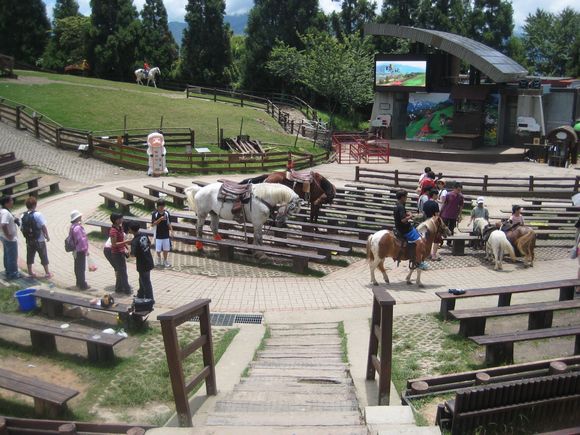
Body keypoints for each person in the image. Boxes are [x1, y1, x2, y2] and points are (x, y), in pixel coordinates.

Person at [394, 190, 428, 270]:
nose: (406, 198)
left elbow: (400, 216)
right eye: (406, 197)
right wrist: (410, 216)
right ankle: (418, 262)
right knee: (420, 242)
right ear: (402, 197)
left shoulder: (397, 205)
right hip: (405, 229)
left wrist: (407, 214)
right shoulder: (401, 206)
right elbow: (403, 220)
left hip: (400, 227)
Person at [21, 196, 52, 279]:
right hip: (39, 240)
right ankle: (47, 273)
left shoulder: (22, 215)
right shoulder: (38, 214)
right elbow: (43, 226)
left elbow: (22, 228)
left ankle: (30, 272)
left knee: (30, 255)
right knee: (43, 255)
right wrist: (47, 236)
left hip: (29, 240)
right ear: (34, 205)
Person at [128, 221, 155, 302]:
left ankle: (149, 299)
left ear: (131, 230)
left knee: (146, 282)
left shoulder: (134, 241)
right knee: (142, 280)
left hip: (142, 264)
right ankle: (140, 295)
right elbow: (149, 244)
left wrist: (127, 251)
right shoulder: (144, 235)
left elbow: (132, 255)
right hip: (149, 260)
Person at [109, 213, 132, 295]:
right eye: (120, 219)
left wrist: (126, 247)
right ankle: (127, 290)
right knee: (123, 272)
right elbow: (114, 244)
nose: (122, 220)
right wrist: (126, 242)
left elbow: (122, 239)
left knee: (120, 271)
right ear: (116, 220)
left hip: (121, 252)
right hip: (116, 254)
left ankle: (118, 288)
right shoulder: (113, 231)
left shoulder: (120, 228)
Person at [0, 195, 21, 280]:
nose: (13, 202)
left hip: (3, 236)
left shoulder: (2, 210)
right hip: (9, 238)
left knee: (7, 254)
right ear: (6, 203)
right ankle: (13, 274)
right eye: (11, 200)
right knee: (12, 256)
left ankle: (8, 271)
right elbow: (3, 224)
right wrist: (8, 235)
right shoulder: (5, 212)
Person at [69, 210, 89, 290]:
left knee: (77, 267)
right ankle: (82, 284)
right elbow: (81, 240)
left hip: (75, 250)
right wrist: (85, 250)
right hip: (80, 250)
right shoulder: (77, 228)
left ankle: (78, 282)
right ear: (77, 218)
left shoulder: (73, 226)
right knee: (81, 268)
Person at [151, 199, 173, 267]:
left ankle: (165, 261)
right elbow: (153, 224)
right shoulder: (155, 213)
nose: (161, 208)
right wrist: (160, 219)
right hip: (157, 234)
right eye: (160, 207)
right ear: (157, 207)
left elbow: (168, 223)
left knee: (166, 249)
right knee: (158, 249)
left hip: (165, 234)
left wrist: (171, 231)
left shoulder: (166, 213)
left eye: (162, 207)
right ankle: (159, 260)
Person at [423, 189, 442, 261]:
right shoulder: (435, 204)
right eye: (437, 195)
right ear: (434, 195)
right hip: (433, 223)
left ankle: (427, 254)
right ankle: (434, 255)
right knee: (436, 240)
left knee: (427, 239)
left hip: (426, 222)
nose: (437, 196)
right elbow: (437, 216)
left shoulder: (425, 203)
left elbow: (424, 213)